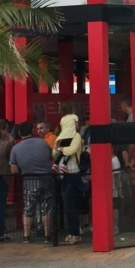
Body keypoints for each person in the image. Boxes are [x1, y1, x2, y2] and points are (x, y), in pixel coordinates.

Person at [9, 121, 54, 243]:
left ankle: (26, 236)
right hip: (46, 179)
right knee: (46, 208)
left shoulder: (16, 148)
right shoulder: (43, 143)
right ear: (32, 131)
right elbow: (51, 157)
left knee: (28, 209)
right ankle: (47, 235)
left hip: (29, 182)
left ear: (19, 133)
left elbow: (13, 169)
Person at [54, 102, 84, 245]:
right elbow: (54, 152)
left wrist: (60, 149)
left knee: (70, 205)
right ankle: (73, 232)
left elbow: (71, 150)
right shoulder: (60, 136)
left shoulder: (76, 136)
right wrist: (59, 149)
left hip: (72, 174)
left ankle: (75, 233)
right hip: (62, 175)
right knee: (68, 205)